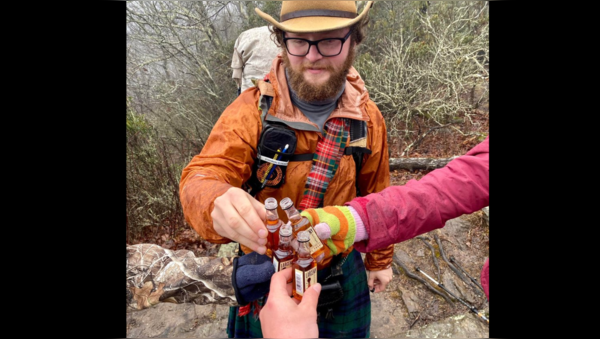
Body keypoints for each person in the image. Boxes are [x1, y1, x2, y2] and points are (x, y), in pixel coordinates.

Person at [179, 1, 392, 338]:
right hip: (268, 273)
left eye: (329, 40)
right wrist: (213, 198)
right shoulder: (252, 111)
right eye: (299, 41)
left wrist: (380, 261)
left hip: (339, 265)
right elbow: (205, 172)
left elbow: (378, 194)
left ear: (353, 39)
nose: (312, 55)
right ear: (282, 41)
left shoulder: (368, 118)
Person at [259, 135, 489, 337]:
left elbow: (377, 184)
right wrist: (354, 221)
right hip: (286, 261)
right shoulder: (256, 105)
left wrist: (379, 260)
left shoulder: (365, 114)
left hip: (344, 260)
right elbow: (445, 189)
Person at [231, 25, 280, 95]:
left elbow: (236, 75)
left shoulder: (244, 36)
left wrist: (240, 88)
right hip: (282, 94)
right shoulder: (288, 35)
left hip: (249, 94)